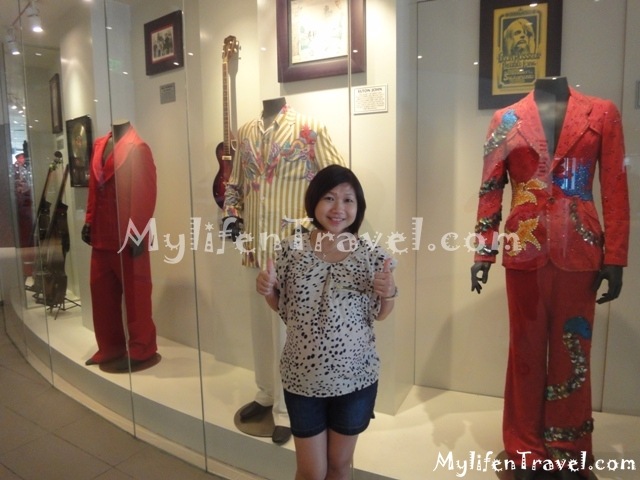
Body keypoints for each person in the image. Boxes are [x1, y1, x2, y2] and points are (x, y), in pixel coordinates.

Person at [471, 77, 629, 480]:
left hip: (582, 248)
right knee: (524, 353)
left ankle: (569, 449)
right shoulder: (506, 119)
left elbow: (614, 184)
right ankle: (524, 448)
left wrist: (616, 256)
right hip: (524, 249)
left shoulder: (602, 113)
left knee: (573, 351)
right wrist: (484, 249)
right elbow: (491, 185)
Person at [256, 164, 397, 480]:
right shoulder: (290, 249)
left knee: (338, 466)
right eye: (329, 198)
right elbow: (281, 307)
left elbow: (381, 313)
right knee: (311, 471)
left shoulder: (371, 254)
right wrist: (267, 289)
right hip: (302, 379)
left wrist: (388, 293)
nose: (338, 209)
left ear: (358, 207)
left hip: (355, 380)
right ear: (314, 201)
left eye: (348, 200)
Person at [223, 98, 345, 444]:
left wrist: (309, 229)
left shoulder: (310, 129)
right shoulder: (245, 132)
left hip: (295, 253)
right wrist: (231, 215)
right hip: (255, 248)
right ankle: (265, 393)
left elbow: (338, 184)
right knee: (260, 327)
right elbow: (234, 184)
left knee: (289, 333)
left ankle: (288, 409)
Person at [82, 121, 159, 372]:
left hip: (128, 237)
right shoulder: (99, 145)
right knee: (101, 293)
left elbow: (145, 193)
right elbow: (94, 187)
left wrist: (137, 232)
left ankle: (142, 347)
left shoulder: (138, 148)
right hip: (101, 235)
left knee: (137, 296)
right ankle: (110, 347)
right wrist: (89, 220)